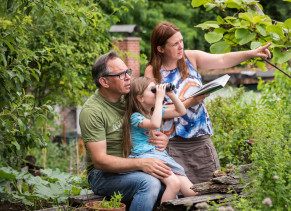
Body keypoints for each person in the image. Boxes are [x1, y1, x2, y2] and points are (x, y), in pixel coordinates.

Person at [145, 22, 272, 184]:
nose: (180, 46)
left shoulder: (191, 57)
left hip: (200, 140)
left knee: (212, 191)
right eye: (175, 44)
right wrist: (191, 102)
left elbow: (222, 59)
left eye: (181, 41)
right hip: (171, 143)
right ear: (160, 48)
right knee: (181, 198)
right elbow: (153, 109)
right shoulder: (152, 70)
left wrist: (251, 53)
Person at [79, 51, 172, 211]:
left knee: (173, 181)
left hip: (135, 162)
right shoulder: (92, 111)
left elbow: (156, 117)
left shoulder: (130, 99)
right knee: (149, 183)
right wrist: (141, 163)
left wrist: (162, 138)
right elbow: (100, 161)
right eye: (121, 75)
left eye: (127, 71)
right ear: (104, 82)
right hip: (103, 175)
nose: (129, 77)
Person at [122, 77, 197, 203]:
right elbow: (155, 124)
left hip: (160, 156)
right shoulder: (135, 117)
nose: (157, 93)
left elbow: (181, 110)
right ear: (140, 98)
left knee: (191, 191)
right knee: (174, 184)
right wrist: (159, 100)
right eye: (153, 90)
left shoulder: (155, 112)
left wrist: (171, 94)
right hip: (145, 157)